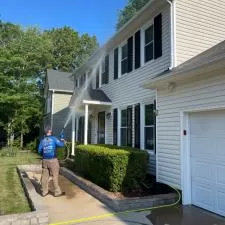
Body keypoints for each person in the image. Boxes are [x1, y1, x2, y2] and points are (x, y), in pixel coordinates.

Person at [38, 127, 65, 197]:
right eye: (51, 131)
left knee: (44, 176)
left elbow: (39, 150)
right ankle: (57, 192)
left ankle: (44, 192)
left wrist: (44, 155)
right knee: (55, 176)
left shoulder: (42, 140)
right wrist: (62, 138)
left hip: (45, 160)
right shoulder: (54, 138)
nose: (52, 131)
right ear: (49, 132)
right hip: (53, 160)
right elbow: (61, 145)